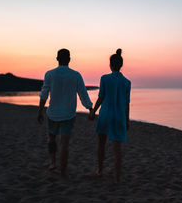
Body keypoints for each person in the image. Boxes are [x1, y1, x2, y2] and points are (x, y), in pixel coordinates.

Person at [37, 48, 93, 178]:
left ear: (57, 59)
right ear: (69, 59)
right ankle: (63, 171)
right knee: (64, 143)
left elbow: (44, 94)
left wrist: (40, 111)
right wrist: (90, 109)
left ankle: (52, 163)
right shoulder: (76, 75)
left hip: (52, 113)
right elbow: (83, 94)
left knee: (51, 139)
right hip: (68, 114)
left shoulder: (49, 74)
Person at [90, 48, 131, 183]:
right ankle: (117, 178)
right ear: (121, 65)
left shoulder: (105, 78)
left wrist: (93, 111)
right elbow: (126, 104)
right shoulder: (127, 82)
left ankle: (100, 170)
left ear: (110, 64)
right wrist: (127, 120)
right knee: (117, 149)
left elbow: (101, 97)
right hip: (119, 117)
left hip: (105, 115)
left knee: (101, 144)